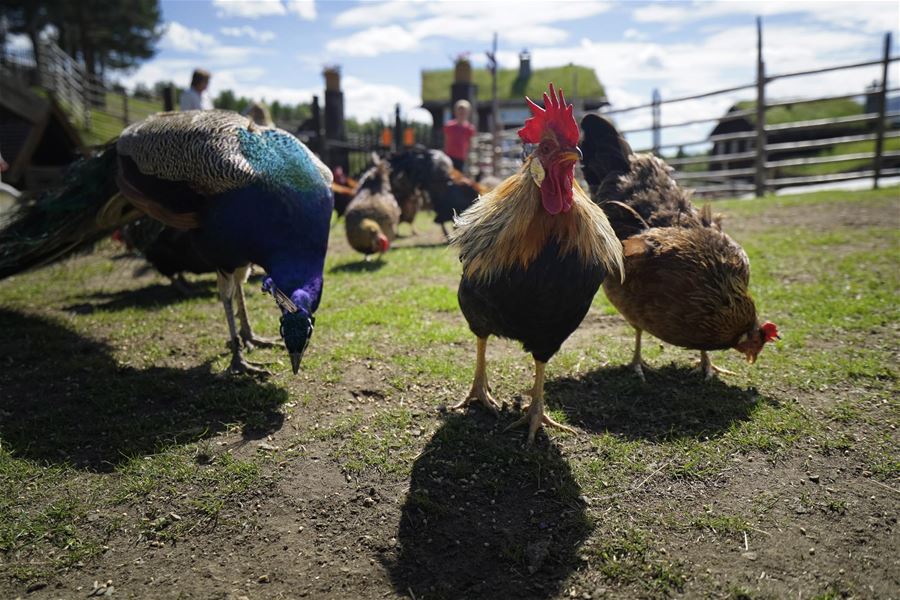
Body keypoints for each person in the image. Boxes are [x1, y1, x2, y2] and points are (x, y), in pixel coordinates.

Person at [443, 99, 476, 172]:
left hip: (462, 159)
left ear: (468, 112)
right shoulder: (449, 126)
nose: (462, 113)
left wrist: (469, 159)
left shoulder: (470, 128)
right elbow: (446, 142)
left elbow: (470, 144)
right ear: (456, 111)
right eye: (460, 110)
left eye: (464, 111)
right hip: (449, 157)